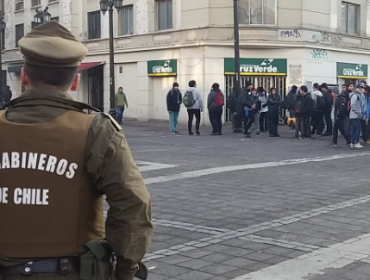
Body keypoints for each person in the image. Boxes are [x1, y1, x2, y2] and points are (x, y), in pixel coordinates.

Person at [0, 22, 152, 280]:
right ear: (75, 81)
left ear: (24, 77)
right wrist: (125, 271)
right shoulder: (96, 130)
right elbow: (133, 205)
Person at [349, 84, 366, 149]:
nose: (360, 89)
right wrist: (358, 112)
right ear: (356, 89)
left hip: (355, 115)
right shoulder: (355, 96)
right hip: (355, 115)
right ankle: (356, 142)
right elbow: (352, 105)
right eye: (359, 88)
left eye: (361, 88)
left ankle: (353, 142)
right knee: (358, 128)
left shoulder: (360, 95)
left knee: (354, 129)